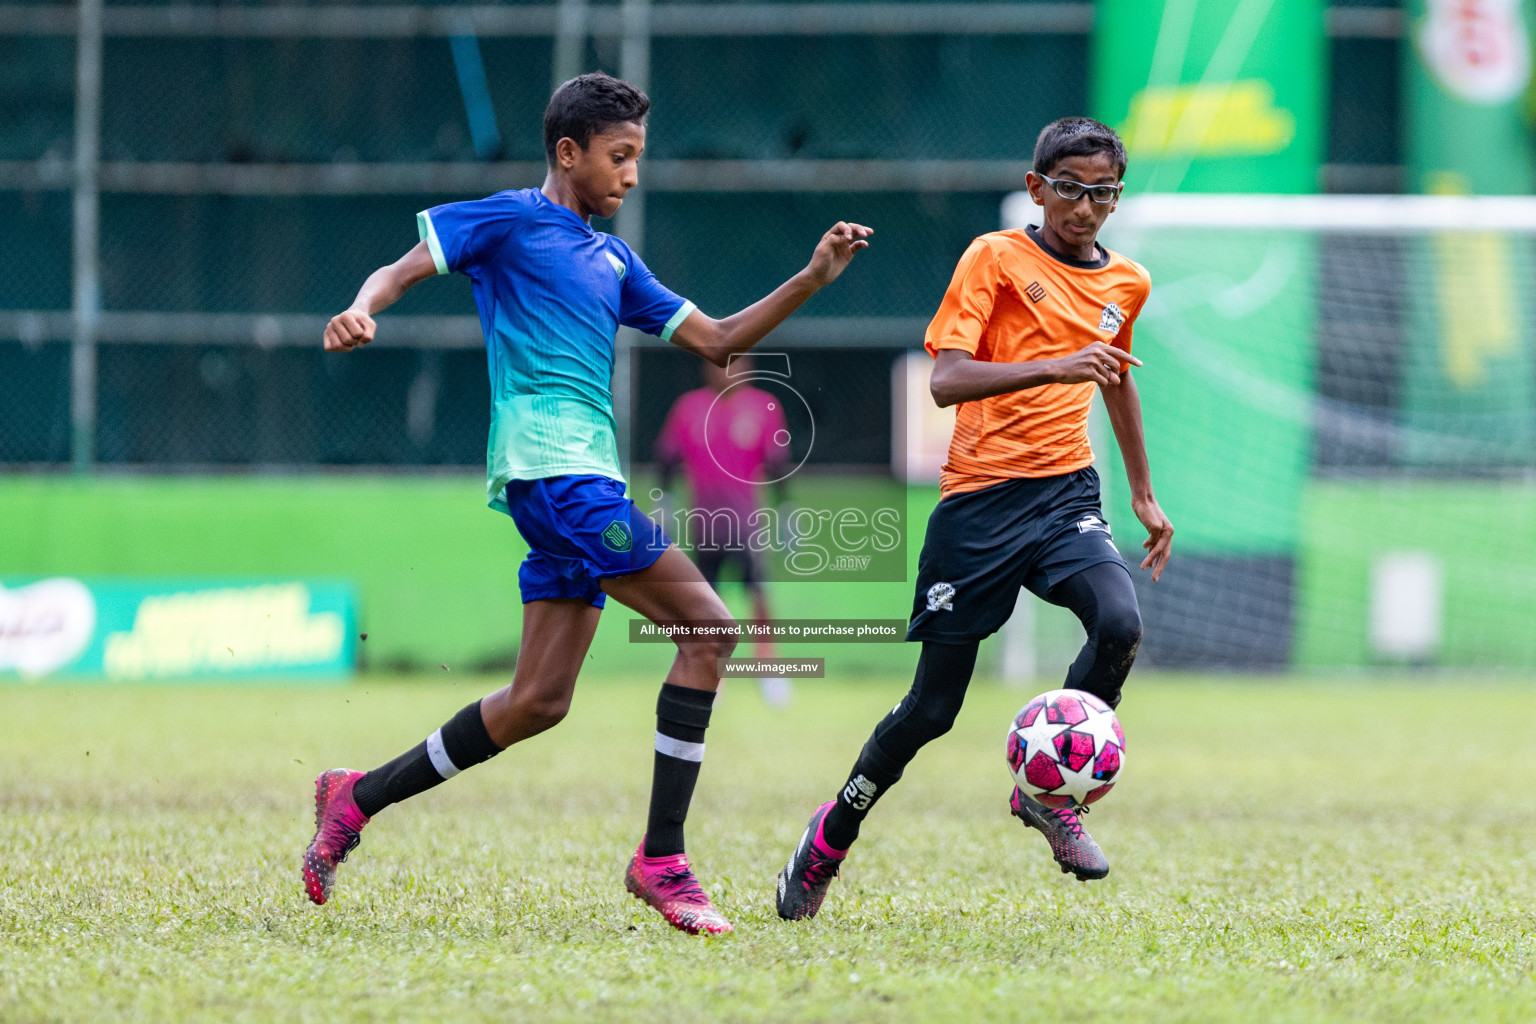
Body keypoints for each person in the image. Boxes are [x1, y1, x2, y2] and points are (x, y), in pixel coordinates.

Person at [303, 71, 871, 936]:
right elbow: (401, 266)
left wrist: (811, 278)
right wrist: (359, 306)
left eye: (638, 158)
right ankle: (663, 859)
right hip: (556, 475)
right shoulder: (506, 220)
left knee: (537, 702)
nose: (632, 175)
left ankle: (355, 797)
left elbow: (716, 339)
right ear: (567, 154)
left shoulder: (613, 260)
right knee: (712, 632)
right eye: (620, 157)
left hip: (580, 482)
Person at [774, 117, 1173, 921]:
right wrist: (1060, 364)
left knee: (1121, 624)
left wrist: (1141, 491)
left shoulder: (1127, 281)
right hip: (980, 506)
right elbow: (947, 381)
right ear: (1037, 189)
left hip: (1067, 496)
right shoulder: (994, 258)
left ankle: (1051, 798)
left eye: (1103, 194)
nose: (1086, 208)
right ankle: (830, 836)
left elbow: (1118, 379)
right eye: (1070, 190)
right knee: (931, 711)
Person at [655, 355, 794, 706]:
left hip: (748, 525)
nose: (727, 372)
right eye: (719, 364)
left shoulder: (764, 406)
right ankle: (713, 677)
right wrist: (665, 506)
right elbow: (667, 460)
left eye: (736, 364)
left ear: (747, 368)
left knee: (758, 596)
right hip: (706, 526)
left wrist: (786, 513)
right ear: (707, 368)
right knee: (706, 604)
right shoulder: (689, 408)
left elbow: (778, 464)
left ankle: (768, 668)